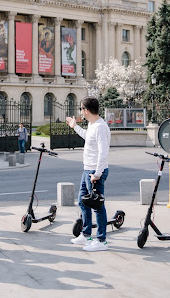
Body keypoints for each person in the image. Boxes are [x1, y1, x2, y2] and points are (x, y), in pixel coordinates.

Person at [65, 96, 110, 252]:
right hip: (88, 169)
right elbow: (87, 137)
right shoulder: (92, 125)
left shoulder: (100, 127)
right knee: (83, 201)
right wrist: (75, 126)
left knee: (97, 205)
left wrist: (97, 174)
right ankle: (86, 234)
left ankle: (102, 240)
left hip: (95, 172)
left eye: (81, 109)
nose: (80, 112)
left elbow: (103, 153)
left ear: (86, 110)